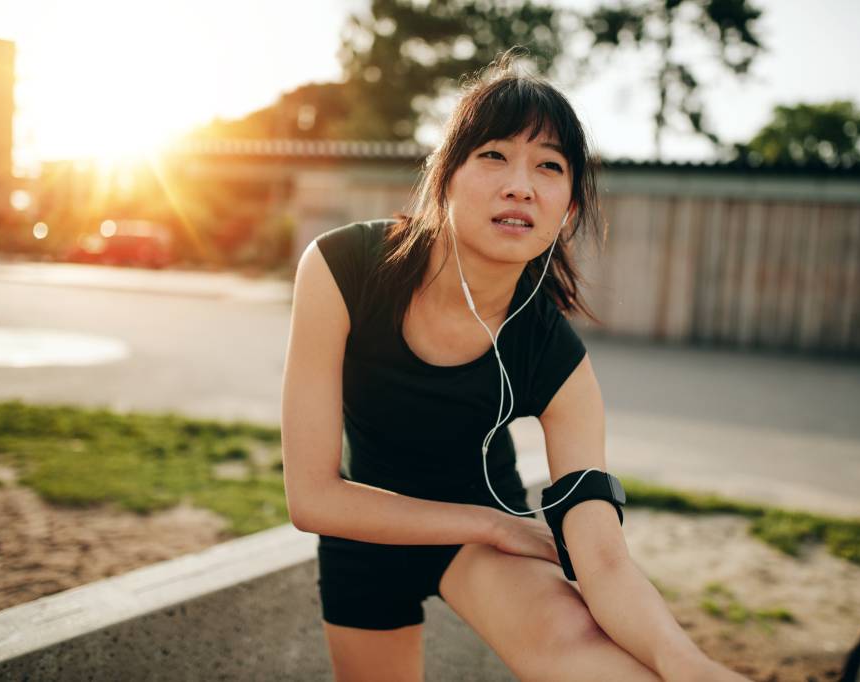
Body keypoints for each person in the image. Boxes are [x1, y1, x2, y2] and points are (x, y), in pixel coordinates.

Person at [279, 52, 750, 681]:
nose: (521, 185)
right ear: (444, 176)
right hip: (367, 531)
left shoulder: (553, 357)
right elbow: (312, 497)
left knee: (583, 654)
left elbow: (602, 556)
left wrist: (688, 664)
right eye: (494, 155)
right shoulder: (345, 268)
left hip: (482, 546)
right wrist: (493, 524)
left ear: (568, 213)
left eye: (549, 167)